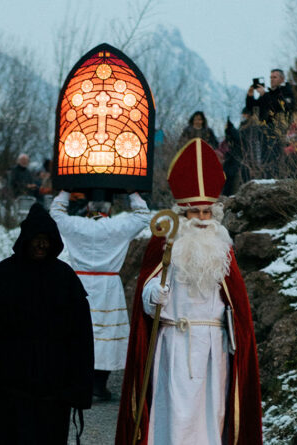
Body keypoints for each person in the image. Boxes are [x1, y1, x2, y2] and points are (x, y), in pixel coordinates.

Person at [116, 138, 262, 445]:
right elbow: (147, 288)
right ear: (181, 214)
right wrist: (152, 294)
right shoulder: (166, 244)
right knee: (173, 419)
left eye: (208, 212)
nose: (202, 220)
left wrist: (234, 327)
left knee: (213, 418)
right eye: (195, 212)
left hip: (215, 349)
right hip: (174, 345)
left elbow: (236, 301)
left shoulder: (222, 247)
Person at [0, 203, 94, 445]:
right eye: (37, 239)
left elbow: (82, 337)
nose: (42, 244)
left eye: (47, 239)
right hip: (8, 383)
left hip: (54, 386)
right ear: (26, 240)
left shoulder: (66, 279)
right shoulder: (0, 277)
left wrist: (80, 386)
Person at [50, 189, 150, 400]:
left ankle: (80, 381)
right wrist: (132, 192)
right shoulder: (117, 226)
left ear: (88, 207)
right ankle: (99, 384)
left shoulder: (77, 225)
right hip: (108, 285)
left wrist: (66, 190)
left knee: (80, 329)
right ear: (110, 208)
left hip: (80, 284)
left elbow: (56, 213)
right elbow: (143, 215)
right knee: (105, 334)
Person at [222, 107, 267, 195]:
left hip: (247, 162)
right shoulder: (242, 126)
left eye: (246, 114)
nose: (243, 116)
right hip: (237, 160)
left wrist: (231, 130)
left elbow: (242, 141)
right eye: (243, 114)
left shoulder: (253, 128)